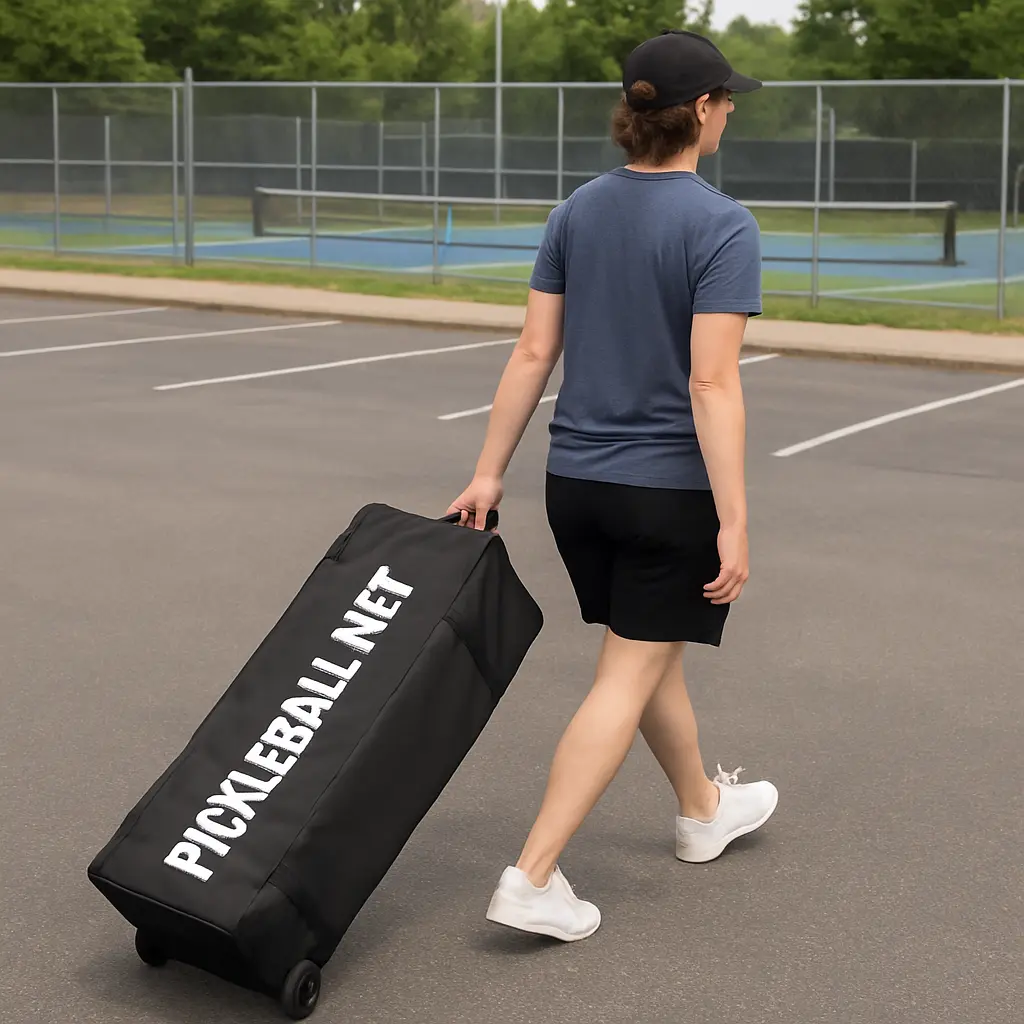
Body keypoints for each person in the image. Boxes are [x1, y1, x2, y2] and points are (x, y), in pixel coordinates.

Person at [446, 29, 779, 942]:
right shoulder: (723, 225)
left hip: (575, 488)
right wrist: (737, 519)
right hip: (665, 493)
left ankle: (703, 809)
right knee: (627, 670)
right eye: (725, 98)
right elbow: (711, 383)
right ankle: (533, 874)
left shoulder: (576, 212)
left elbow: (531, 352)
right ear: (700, 112)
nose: (731, 109)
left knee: (647, 650)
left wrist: (487, 473)